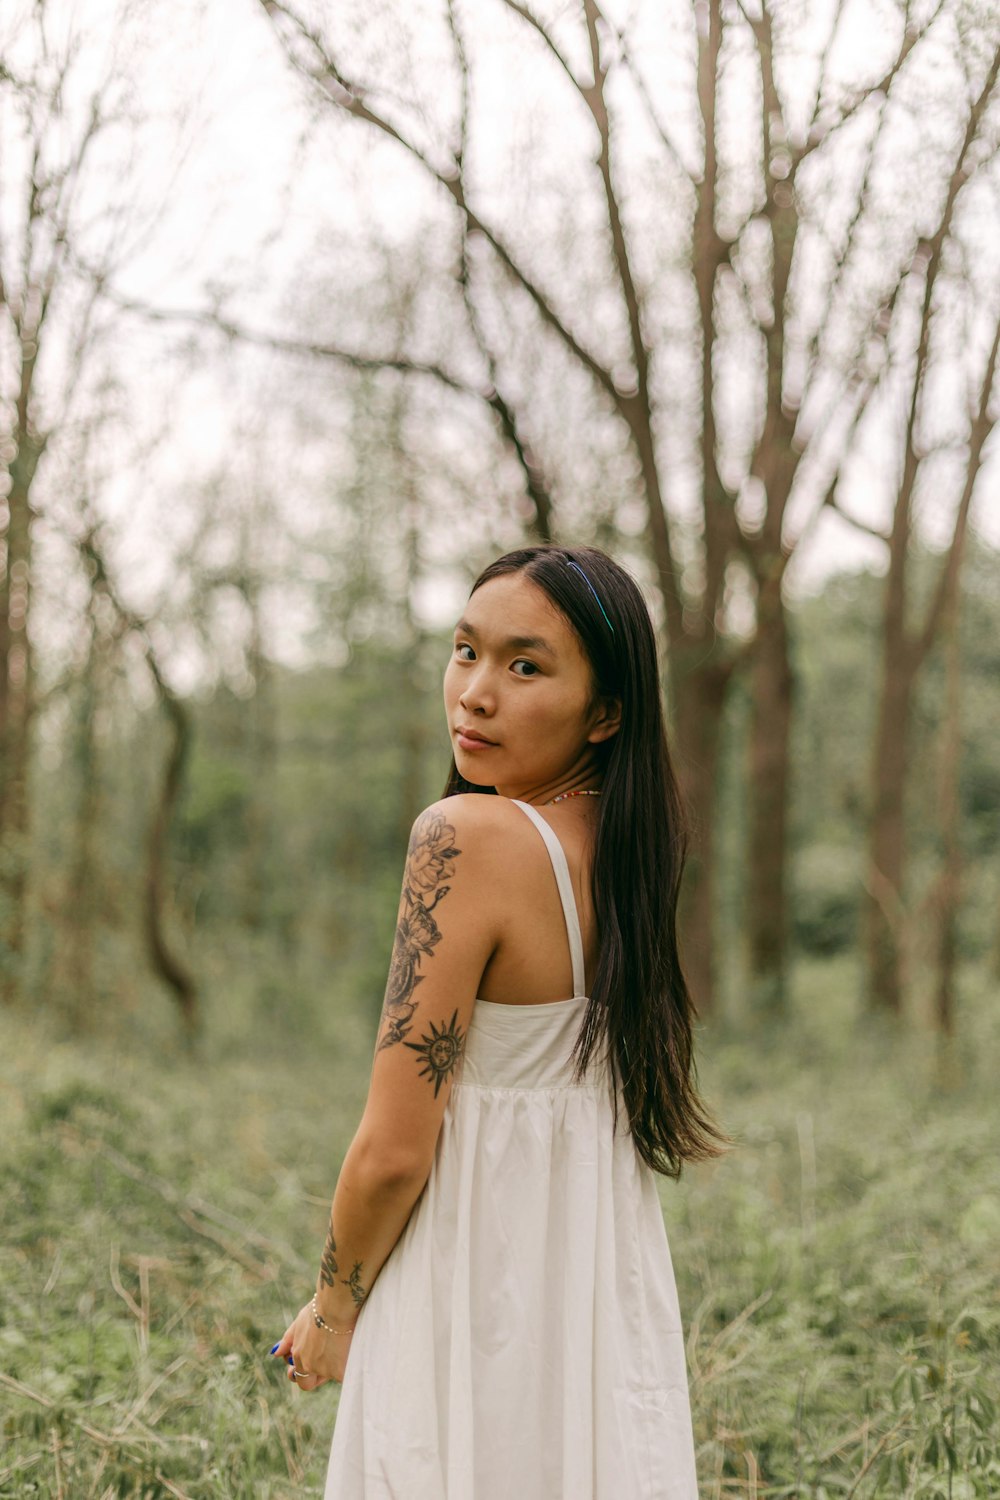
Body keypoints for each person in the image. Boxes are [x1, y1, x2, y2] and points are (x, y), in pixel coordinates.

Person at [271, 543, 732, 1498]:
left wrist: (333, 1309)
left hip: (470, 1272)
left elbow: (395, 1149)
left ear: (606, 712)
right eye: (466, 651)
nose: (476, 693)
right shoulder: (625, 851)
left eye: (525, 666)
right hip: (593, 1287)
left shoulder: (466, 836)